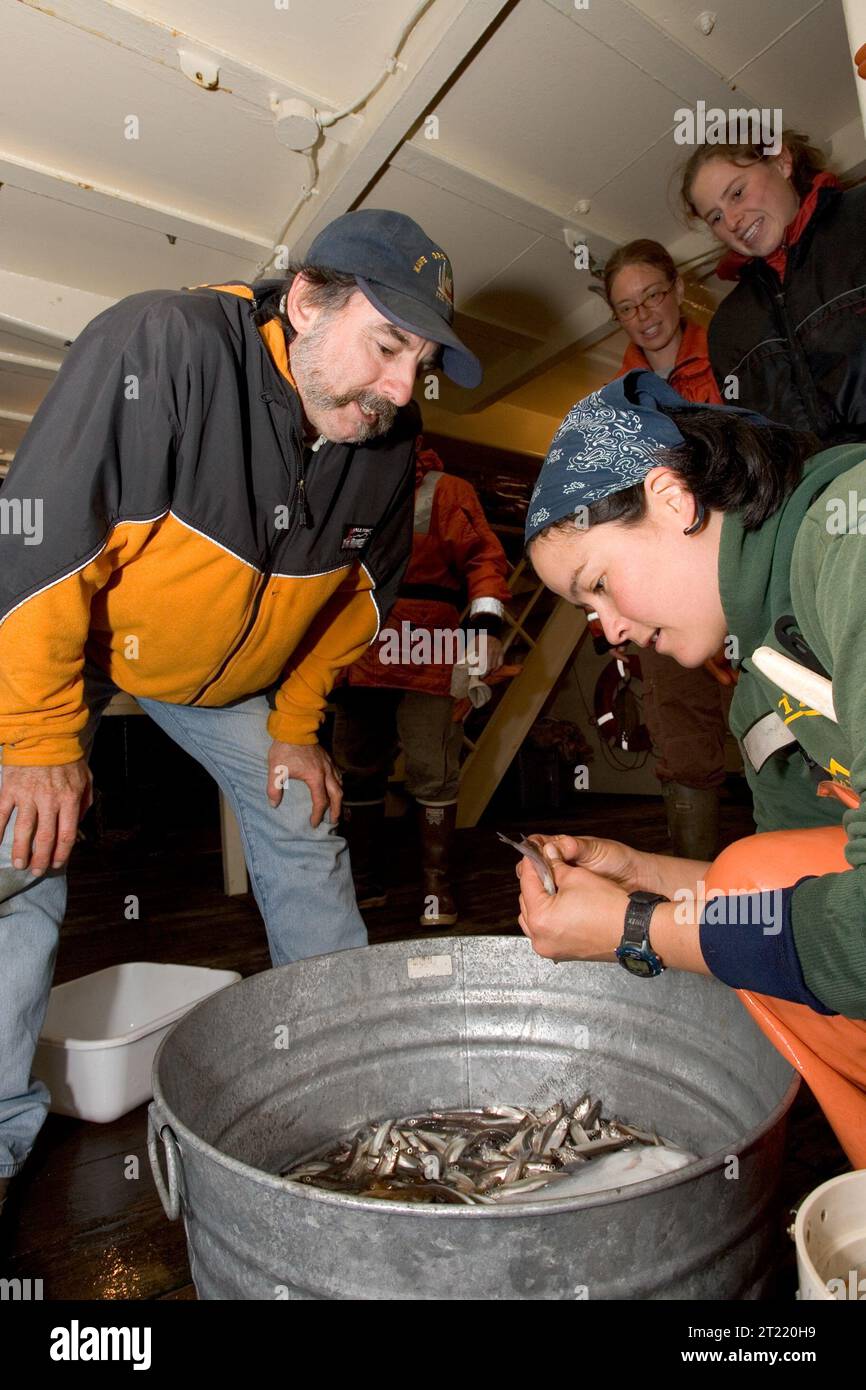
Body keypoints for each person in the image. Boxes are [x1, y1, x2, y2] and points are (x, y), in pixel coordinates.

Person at [0, 209, 481, 1206]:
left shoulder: (387, 442)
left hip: (225, 678)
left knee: (304, 819)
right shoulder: (162, 345)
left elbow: (357, 605)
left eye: (419, 361)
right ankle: (3, 1140)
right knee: (21, 847)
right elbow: (42, 535)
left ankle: (352, 1102)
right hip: (76, 638)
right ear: (305, 303)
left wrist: (295, 730)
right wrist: (39, 740)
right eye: (388, 346)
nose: (401, 389)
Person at [519, 369, 866, 1165]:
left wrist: (634, 930)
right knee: (750, 887)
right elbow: (790, 899)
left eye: (598, 583)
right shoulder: (761, 682)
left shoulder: (849, 544)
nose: (606, 630)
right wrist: (638, 877)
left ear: (673, 498)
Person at [333, 435, 510, 925]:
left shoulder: (447, 490)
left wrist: (486, 629)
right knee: (358, 767)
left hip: (428, 648)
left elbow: (484, 560)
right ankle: (364, 885)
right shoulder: (344, 482)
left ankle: (436, 888)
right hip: (358, 645)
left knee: (433, 768)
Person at [603, 239, 732, 858]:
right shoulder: (615, 399)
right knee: (681, 737)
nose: (645, 313)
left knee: (793, 723)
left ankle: (808, 897)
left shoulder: (736, 349)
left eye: (653, 294)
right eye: (628, 307)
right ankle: (698, 904)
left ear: (678, 289)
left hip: (745, 564)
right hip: (666, 585)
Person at [680, 127, 866, 441]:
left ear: (781, 162)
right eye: (715, 217)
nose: (733, 222)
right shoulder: (727, 330)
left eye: (737, 193)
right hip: (821, 486)